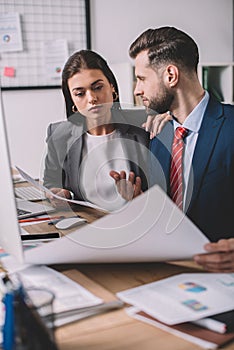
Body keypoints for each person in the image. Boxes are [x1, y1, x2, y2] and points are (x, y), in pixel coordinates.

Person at [111, 27, 234, 272]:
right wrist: (139, 203)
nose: (137, 90)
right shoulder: (159, 136)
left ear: (170, 75)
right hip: (167, 274)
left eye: (142, 78)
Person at [43, 49, 151, 212]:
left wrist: (139, 198)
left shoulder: (144, 124)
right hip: (85, 225)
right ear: (72, 100)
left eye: (98, 87)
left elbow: (166, 191)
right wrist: (59, 195)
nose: (92, 98)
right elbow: (50, 183)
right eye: (80, 93)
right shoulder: (59, 135)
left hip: (134, 222)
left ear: (112, 88)